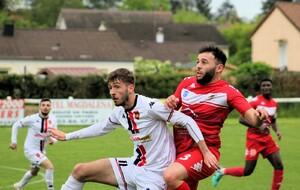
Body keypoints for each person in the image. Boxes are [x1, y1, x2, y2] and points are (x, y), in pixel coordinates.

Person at [49, 68, 219, 190]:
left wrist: (205, 151)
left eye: (117, 87)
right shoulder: (119, 112)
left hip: (156, 175)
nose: (112, 92)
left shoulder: (151, 106)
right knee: (80, 170)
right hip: (134, 166)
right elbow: (101, 128)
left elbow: (187, 121)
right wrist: (67, 136)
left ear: (130, 88)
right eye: (110, 88)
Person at [163, 44, 268, 190]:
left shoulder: (228, 92)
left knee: (170, 176)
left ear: (219, 68)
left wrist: (259, 117)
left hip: (204, 154)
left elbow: (253, 118)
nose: (198, 66)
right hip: (177, 151)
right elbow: (168, 111)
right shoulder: (186, 83)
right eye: (197, 62)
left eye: (204, 62)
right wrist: (168, 102)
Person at [212, 78, 284, 190]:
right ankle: (222, 171)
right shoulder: (255, 101)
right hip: (254, 140)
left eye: (268, 85)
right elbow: (241, 119)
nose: (266, 87)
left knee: (279, 166)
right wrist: (259, 126)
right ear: (260, 88)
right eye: (263, 85)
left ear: (272, 87)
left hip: (267, 139)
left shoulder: (274, 103)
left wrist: (277, 131)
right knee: (248, 170)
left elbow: (273, 120)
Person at [9, 98, 58, 190]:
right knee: (50, 167)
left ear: (50, 107)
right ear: (40, 107)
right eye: (43, 105)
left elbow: (56, 135)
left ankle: (18, 186)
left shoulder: (53, 119)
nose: (45, 107)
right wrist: (14, 142)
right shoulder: (32, 118)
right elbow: (16, 125)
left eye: (48, 105)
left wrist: (53, 140)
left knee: (34, 172)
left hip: (42, 150)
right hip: (31, 150)